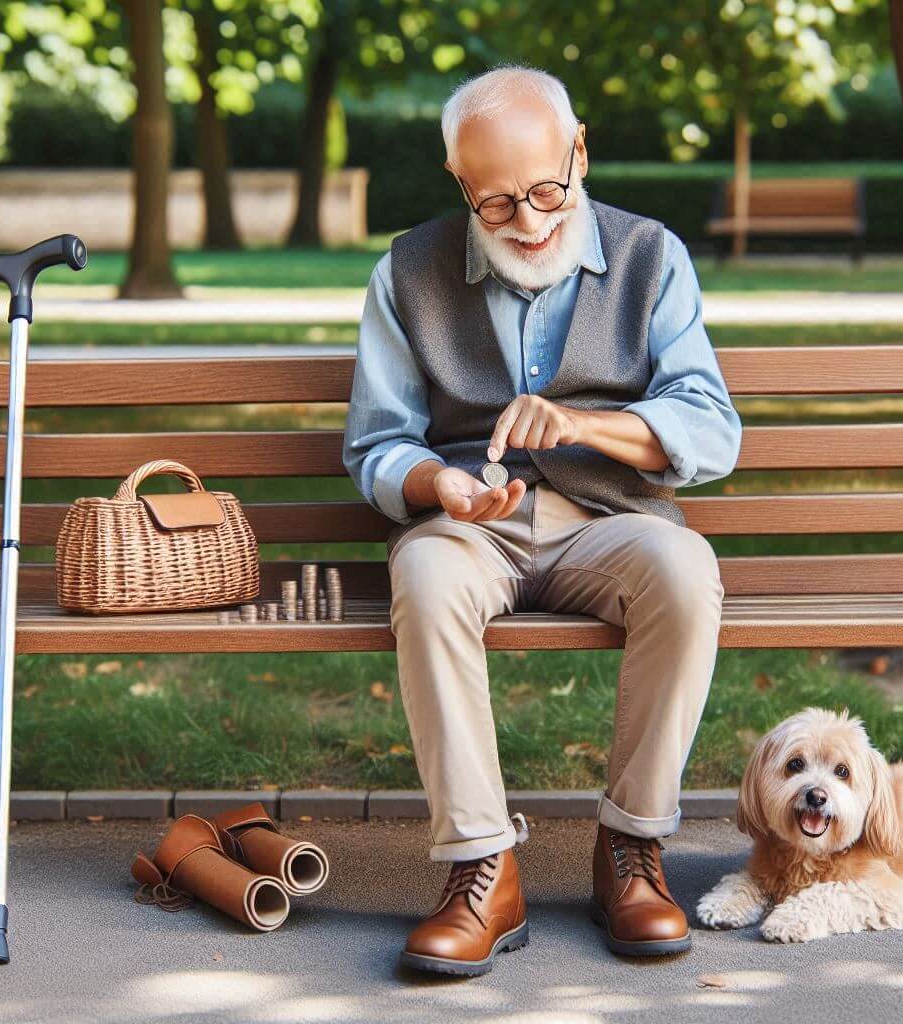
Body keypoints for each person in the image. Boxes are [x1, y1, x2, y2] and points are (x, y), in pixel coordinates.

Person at [341, 64, 741, 977]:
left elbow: (712, 428)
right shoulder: (406, 270)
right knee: (429, 573)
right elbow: (377, 446)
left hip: (612, 519)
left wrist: (588, 425)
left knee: (685, 572)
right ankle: (481, 866)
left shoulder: (652, 257)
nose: (528, 222)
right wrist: (438, 486)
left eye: (548, 190)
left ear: (581, 152)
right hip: (472, 522)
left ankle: (631, 850)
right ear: (460, 186)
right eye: (496, 204)